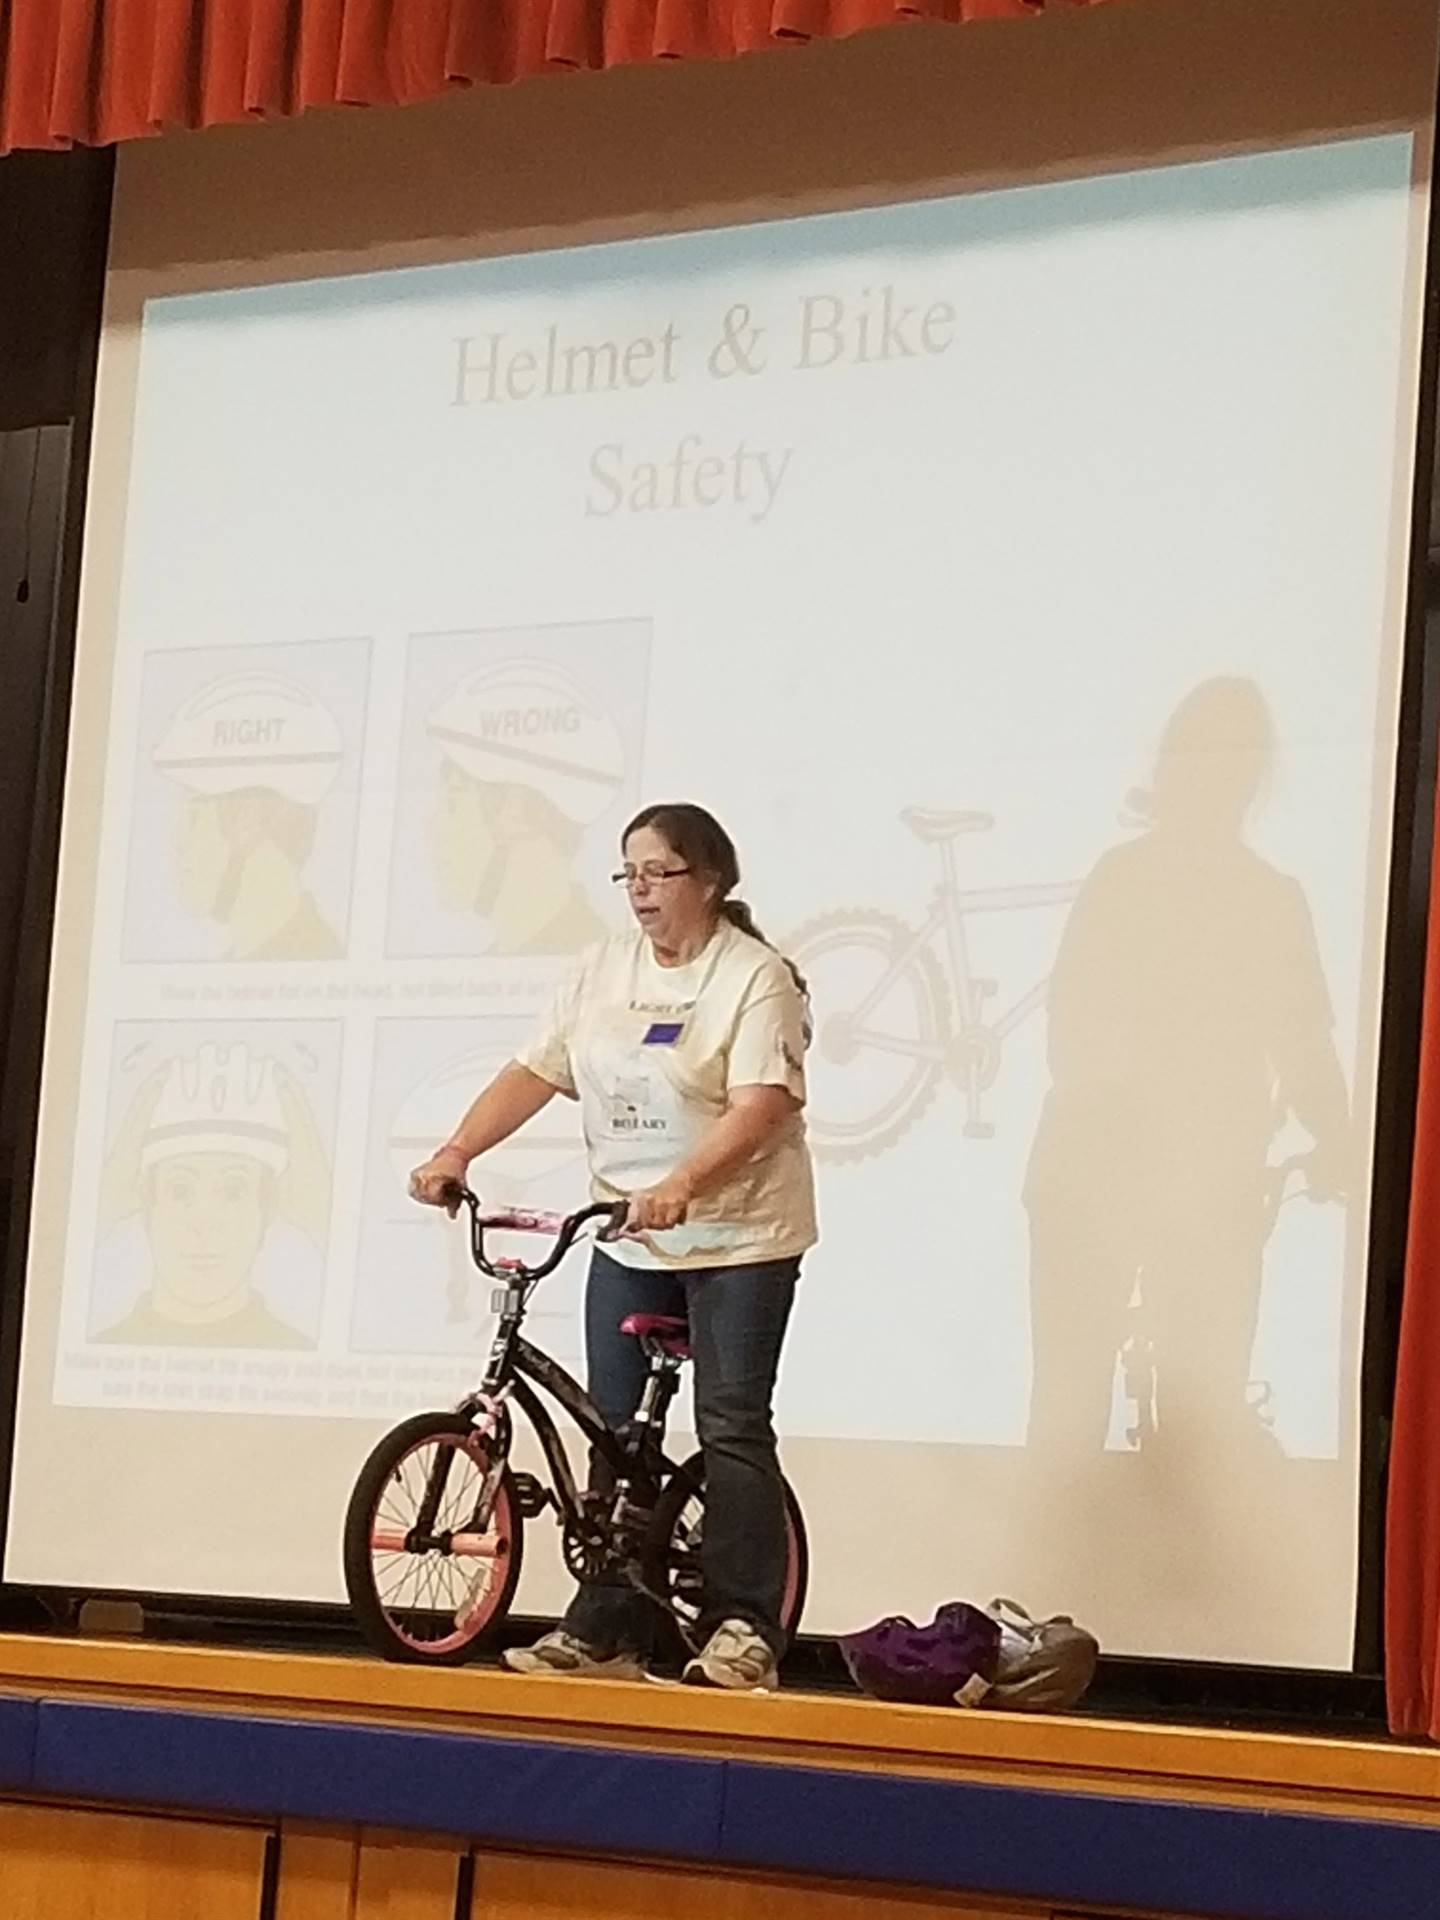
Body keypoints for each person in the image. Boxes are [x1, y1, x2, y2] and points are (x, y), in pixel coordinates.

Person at [409, 802, 816, 1690]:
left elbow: (763, 1105)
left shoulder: (752, 978)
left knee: (731, 1423)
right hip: (630, 1238)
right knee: (617, 1437)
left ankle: (743, 1629)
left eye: (659, 872)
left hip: (740, 1237)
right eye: (628, 872)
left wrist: (681, 1185)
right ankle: (608, 1625)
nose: (639, 890)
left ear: (710, 880)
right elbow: (535, 1070)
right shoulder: (601, 970)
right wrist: (456, 1151)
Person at [1024, 677, 1352, 1464]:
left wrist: (1338, 1141)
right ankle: (1152, 1565)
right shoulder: (1265, 895)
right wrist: (1338, 1145)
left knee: (1083, 1401)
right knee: (1180, 1402)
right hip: (1156, 1175)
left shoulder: (1138, 878)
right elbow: (1302, 1046)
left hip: (1137, 1174)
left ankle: (1048, 1567)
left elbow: (1069, 1027)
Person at [96, 1042, 332, 1348]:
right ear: (146, 1203)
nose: (204, 1222)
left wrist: (326, 1223)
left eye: (234, 1191)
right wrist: (97, 1213)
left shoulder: (303, 1354)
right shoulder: (97, 1348)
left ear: (269, 1207)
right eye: (180, 1190)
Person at [424, 659, 625, 955]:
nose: (433, 829)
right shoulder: (501, 957)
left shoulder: (598, 964)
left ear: (514, 811)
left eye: (454, 802)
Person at [154, 672, 346, 960]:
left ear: (249, 821)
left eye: (194, 817)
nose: (177, 842)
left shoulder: (313, 959)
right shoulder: (250, 964)